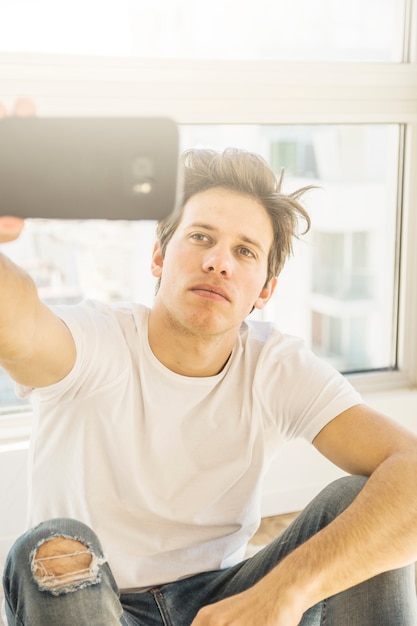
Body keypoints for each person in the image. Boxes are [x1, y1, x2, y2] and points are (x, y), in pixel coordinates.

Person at [1, 100, 417, 626]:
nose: (219, 260)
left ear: (264, 290)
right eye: (200, 237)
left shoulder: (273, 365)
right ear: (158, 255)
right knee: (53, 548)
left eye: (245, 251)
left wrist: (283, 595)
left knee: (368, 501)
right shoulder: (97, 342)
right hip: (97, 603)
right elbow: (15, 320)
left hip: (226, 602)